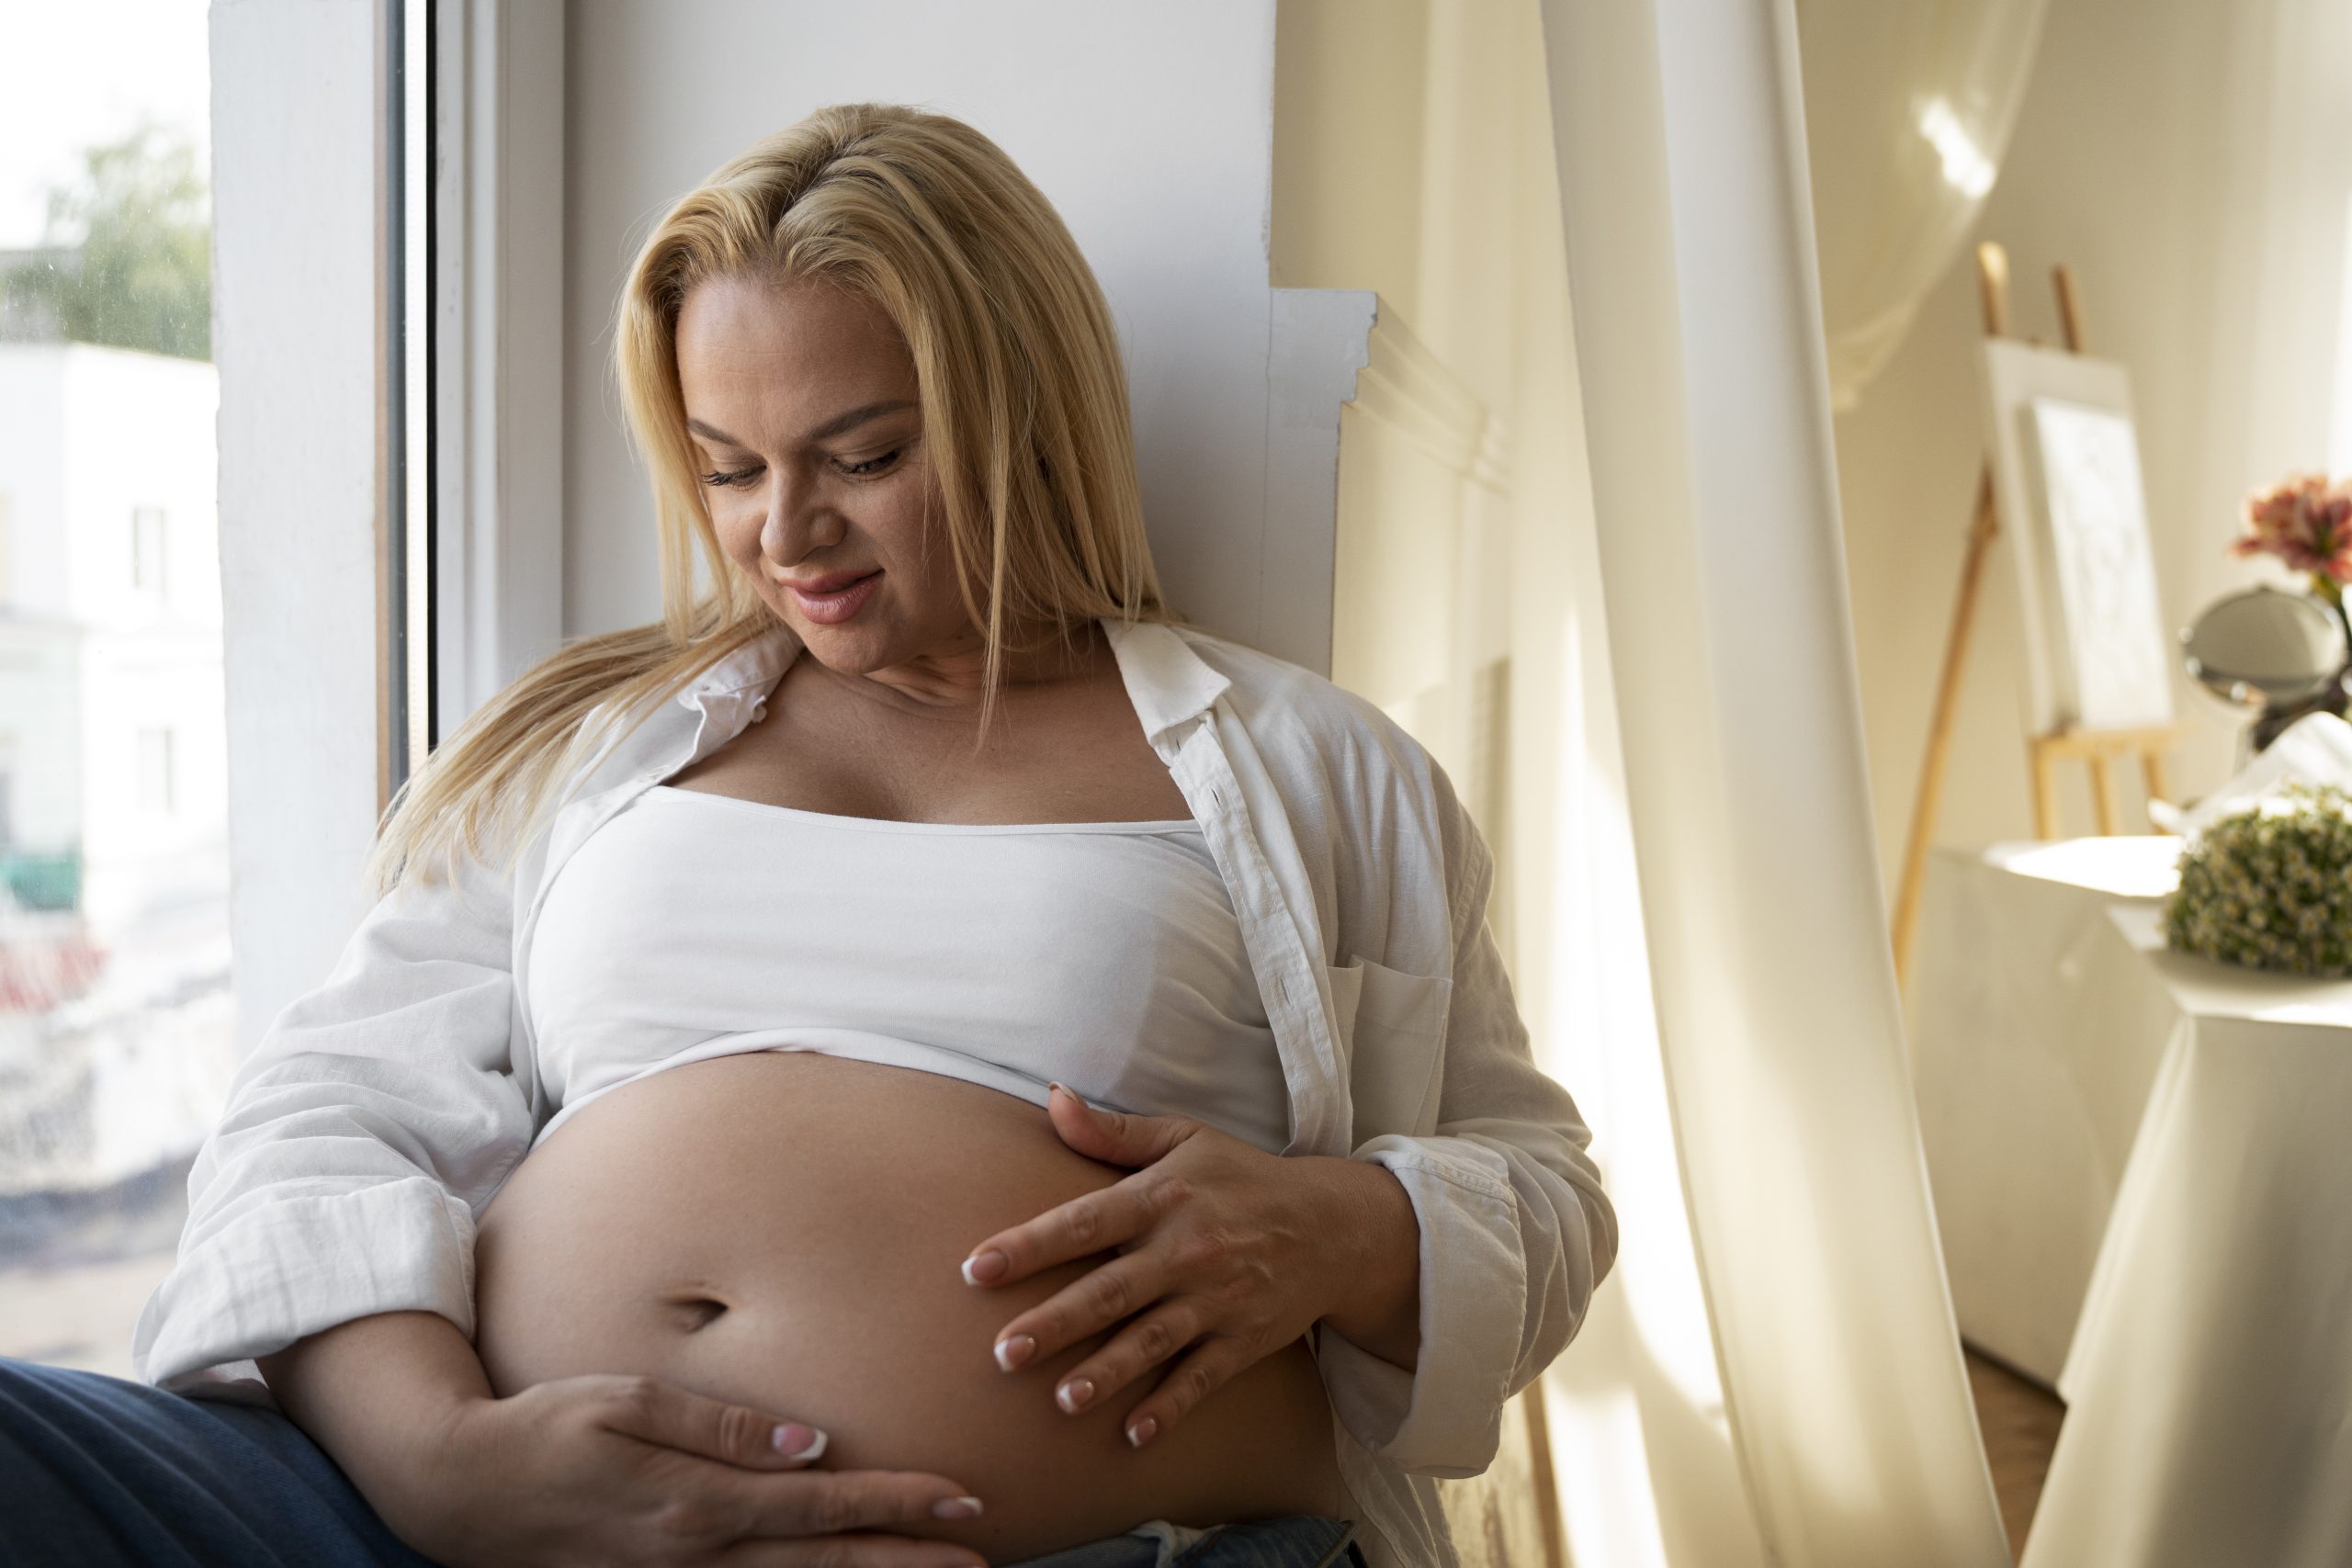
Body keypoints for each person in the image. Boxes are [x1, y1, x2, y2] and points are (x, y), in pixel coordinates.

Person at [0, 103, 1616, 1568]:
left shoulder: (1309, 767)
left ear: (1024, 412)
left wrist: (1346, 1231)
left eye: (867, 457)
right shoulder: (584, 753)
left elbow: (1545, 1189)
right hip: (461, 1529)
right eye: (729, 468)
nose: (788, 535)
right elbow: (323, 1114)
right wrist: (448, 1466)